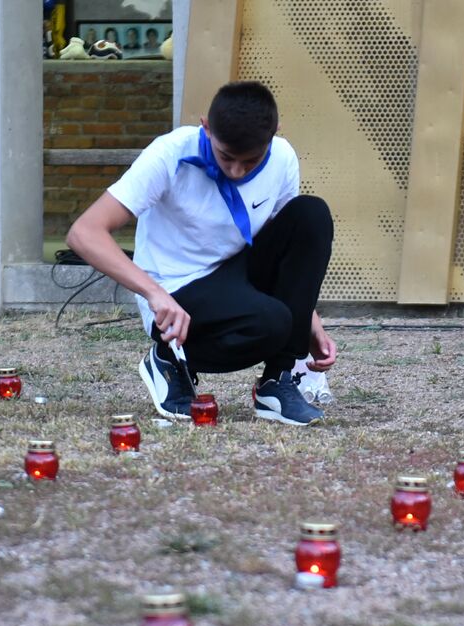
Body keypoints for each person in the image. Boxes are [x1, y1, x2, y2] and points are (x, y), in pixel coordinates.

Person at [66, 81, 336, 426]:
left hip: (235, 276)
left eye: (250, 161)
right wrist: (154, 293)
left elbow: (288, 254)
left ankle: (278, 381)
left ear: (274, 134)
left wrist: (310, 325)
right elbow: (84, 233)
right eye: (226, 157)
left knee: (310, 214)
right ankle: (167, 360)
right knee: (271, 323)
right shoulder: (169, 154)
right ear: (206, 127)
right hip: (177, 292)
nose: (236, 171)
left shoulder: (282, 157)